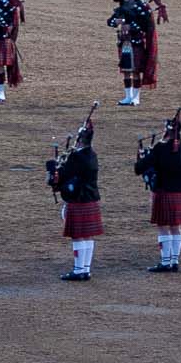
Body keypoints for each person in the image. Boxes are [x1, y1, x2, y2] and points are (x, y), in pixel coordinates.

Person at [135, 115, 181, 272]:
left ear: (167, 131)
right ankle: (174, 261)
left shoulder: (160, 149)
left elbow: (139, 168)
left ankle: (165, 261)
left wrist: (143, 157)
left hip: (165, 190)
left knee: (163, 226)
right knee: (176, 226)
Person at [48, 118, 103, 281]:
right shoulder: (91, 154)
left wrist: (55, 169)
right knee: (87, 236)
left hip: (78, 199)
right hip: (90, 198)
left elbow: (62, 176)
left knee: (78, 236)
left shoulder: (76, 158)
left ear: (79, 141)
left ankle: (79, 270)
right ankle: (85, 269)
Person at [107, 0, 156, 107]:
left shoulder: (142, 8)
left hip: (136, 43)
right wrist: (116, 22)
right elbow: (109, 22)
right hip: (124, 44)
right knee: (126, 71)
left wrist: (131, 26)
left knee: (135, 71)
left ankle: (136, 97)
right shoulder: (122, 8)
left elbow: (146, 26)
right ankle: (127, 96)